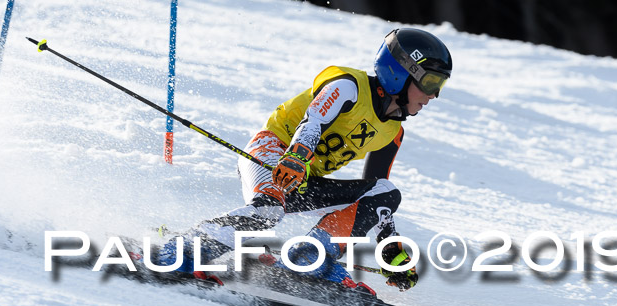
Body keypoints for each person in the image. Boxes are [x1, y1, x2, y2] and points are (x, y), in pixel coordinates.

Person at [159, 28, 452, 292]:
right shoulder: (349, 85)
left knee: (387, 190)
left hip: (303, 181)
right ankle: (182, 251)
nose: (433, 94)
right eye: (429, 81)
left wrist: (392, 252)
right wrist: (298, 156)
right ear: (400, 72)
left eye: (439, 84)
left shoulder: (393, 131)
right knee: (269, 211)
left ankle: (309, 255)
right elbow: (314, 121)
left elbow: (376, 199)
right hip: (273, 155)